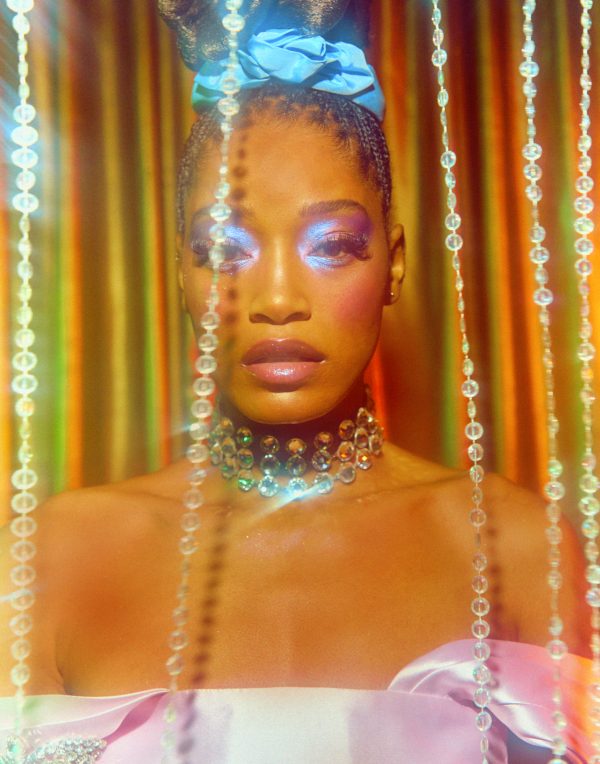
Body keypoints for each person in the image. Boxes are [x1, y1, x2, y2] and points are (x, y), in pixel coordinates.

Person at [0, 1, 592, 762]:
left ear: (394, 264)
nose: (277, 299)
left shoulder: (513, 547)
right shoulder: (57, 554)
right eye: (226, 250)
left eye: (332, 245)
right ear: (181, 271)